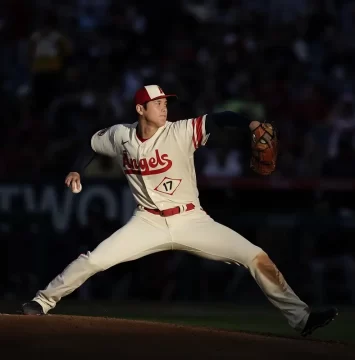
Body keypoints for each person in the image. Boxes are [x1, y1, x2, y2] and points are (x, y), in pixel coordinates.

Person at [21, 85, 337, 337]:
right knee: (95, 260)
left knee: (256, 257)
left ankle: (302, 318)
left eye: (165, 101)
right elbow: (91, 145)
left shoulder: (181, 130)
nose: (164, 106)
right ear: (140, 109)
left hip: (191, 219)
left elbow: (220, 117)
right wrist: (77, 170)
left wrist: (251, 124)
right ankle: (42, 301)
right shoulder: (121, 135)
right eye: (157, 102)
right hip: (146, 222)